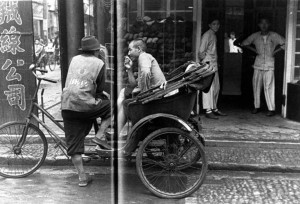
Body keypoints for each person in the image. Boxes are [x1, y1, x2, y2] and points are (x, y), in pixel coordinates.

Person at [61, 36, 112, 187]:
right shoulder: (99, 62)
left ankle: (82, 178)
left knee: (74, 145)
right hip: (85, 105)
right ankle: (99, 135)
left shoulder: (74, 59)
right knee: (111, 106)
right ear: (97, 51)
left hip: (67, 104)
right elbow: (101, 88)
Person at [117, 39, 166, 136]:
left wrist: (144, 93)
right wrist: (129, 69)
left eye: (130, 50)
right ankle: (116, 126)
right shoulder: (143, 58)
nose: (128, 53)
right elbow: (134, 84)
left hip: (156, 95)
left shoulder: (143, 56)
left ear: (139, 49)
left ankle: (116, 127)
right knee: (124, 93)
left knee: (126, 101)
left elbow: (146, 72)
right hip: (155, 93)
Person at [241, 18, 285, 116]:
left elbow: (286, 43)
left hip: (269, 64)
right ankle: (256, 106)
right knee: (256, 86)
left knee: (269, 86)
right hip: (258, 64)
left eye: (266, 23)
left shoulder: (274, 35)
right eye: (262, 23)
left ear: (269, 24)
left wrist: (275, 51)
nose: (264, 25)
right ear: (259, 25)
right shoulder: (255, 36)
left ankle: (271, 109)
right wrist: (254, 50)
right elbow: (243, 43)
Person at [198, 19, 227, 119]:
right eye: (214, 24)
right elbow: (201, 51)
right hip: (208, 64)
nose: (216, 26)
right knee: (208, 88)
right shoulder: (207, 35)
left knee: (216, 87)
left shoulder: (213, 34)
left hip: (213, 64)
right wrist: (205, 62)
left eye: (218, 24)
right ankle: (208, 110)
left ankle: (214, 107)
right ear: (209, 25)